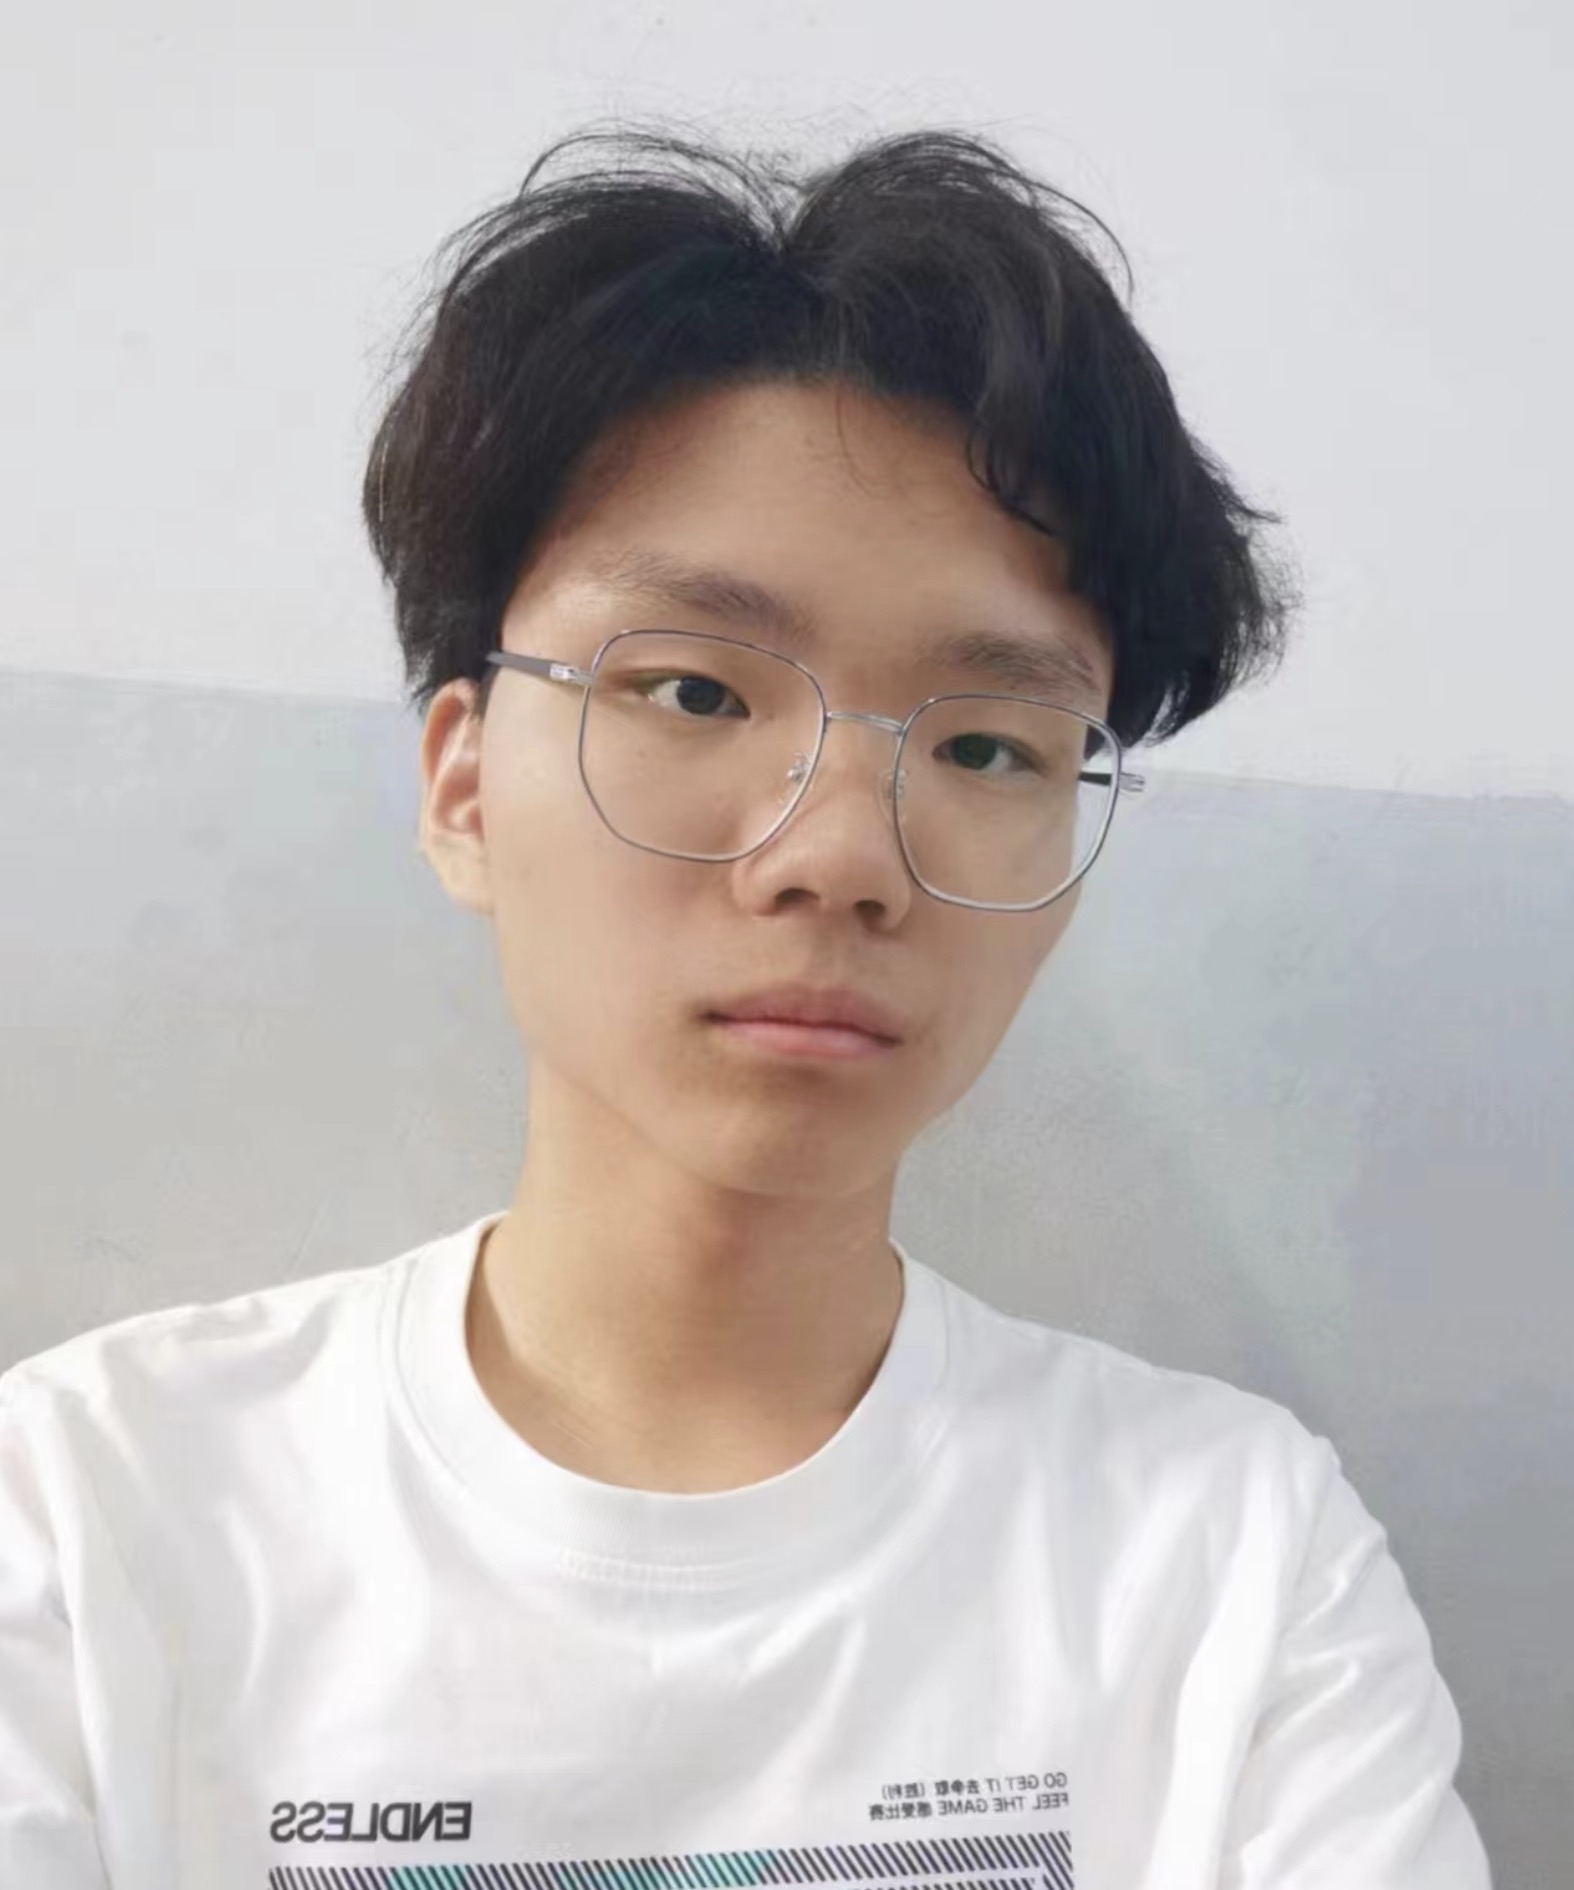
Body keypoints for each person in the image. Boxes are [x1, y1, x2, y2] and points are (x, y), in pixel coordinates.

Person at [0, 122, 1492, 1886]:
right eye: (698, 693)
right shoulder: (92, 1517)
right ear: (463, 786)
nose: (843, 853)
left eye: (988, 746)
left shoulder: (1229, 1559)